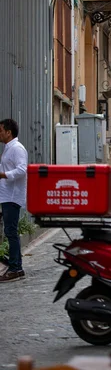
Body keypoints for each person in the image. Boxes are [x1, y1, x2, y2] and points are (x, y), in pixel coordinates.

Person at [0, 118, 28, 283]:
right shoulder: (8, 148)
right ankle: (13, 263)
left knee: (11, 231)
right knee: (10, 231)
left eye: (1, 130)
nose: (0, 133)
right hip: (6, 194)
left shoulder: (17, 148)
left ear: (9, 132)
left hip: (12, 196)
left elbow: (22, 169)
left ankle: (16, 268)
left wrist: (4, 175)